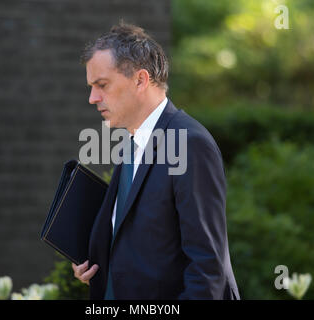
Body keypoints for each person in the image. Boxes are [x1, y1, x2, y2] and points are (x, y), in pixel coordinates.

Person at [72, 22, 240, 300]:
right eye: (91, 87)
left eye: (101, 85)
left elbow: (208, 270)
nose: (93, 98)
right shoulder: (131, 143)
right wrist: (96, 260)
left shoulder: (190, 143)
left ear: (140, 80)